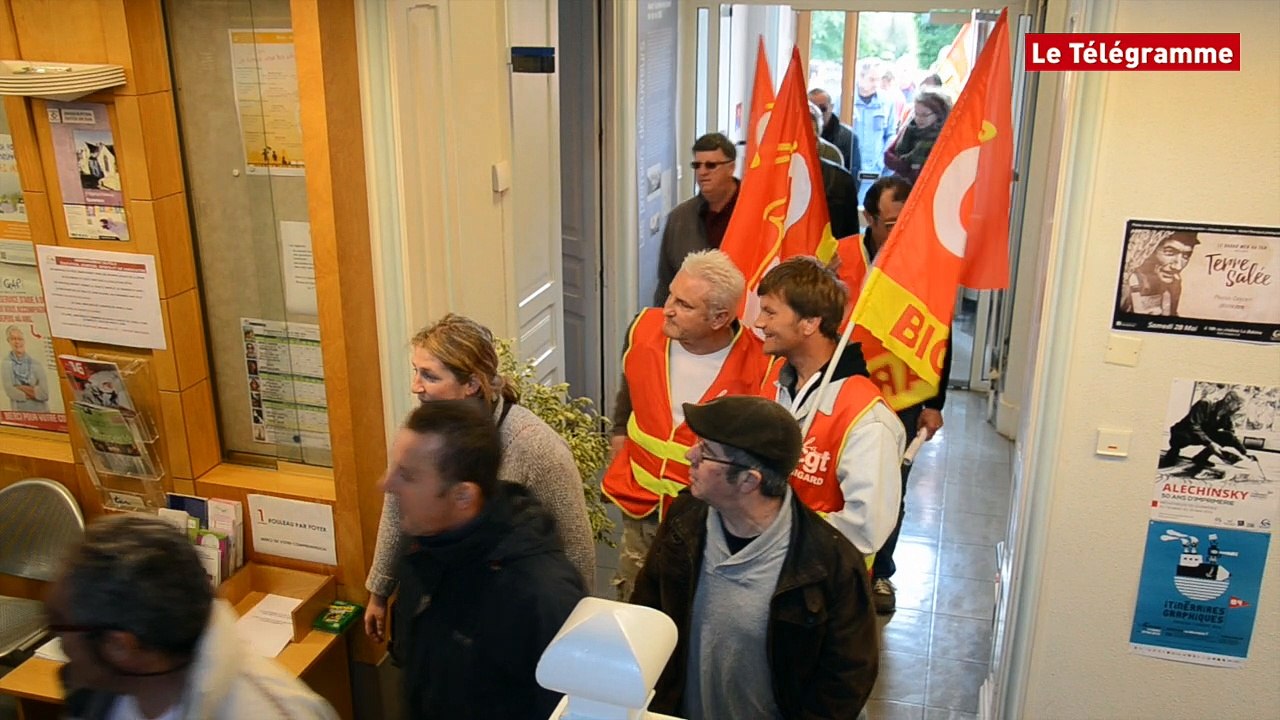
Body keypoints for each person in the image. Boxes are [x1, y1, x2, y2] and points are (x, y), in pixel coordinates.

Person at [630, 395, 879, 719]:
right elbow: (647, 615)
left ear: (749, 480)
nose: (690, 454)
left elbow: (846, 681)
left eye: (706, 452)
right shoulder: (683, 522)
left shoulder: (831, 564)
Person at [364, 314, 595, 640]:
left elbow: (577, 553)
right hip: (432, 607)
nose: (415, 386)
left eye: (429, 376)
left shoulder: (536, 447)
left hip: (507, 626)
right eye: (415, 372)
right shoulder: (422, 429)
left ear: (471, 383)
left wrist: (570, 638)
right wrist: (379, 590)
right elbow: (396, 510)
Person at [383, 399, 585, 719]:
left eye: (407, 476)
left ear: (463, 496)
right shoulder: (426, 548)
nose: (386, 484)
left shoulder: (544, 597)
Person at [604, 250, 774, 600]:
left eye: (684, 304)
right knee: (635, 603)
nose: (667, 308)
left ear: (719, 318)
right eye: (670, 294)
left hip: (711, 516)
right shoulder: (642, 328)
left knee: (696, 607)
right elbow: (631, 383)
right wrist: (619, 431)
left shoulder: (761, 365)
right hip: (642, 504)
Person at [48, 515, 338, 720]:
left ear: (121, 646)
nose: (59, 645)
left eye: (60, 624)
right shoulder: (97, 699)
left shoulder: (273, 712)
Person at [754, 257, 904, 563]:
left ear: (810, 323)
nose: (759, 323)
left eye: (770, 312)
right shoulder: (774, 382)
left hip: (826, 586)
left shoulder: (867, 419)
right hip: (771, 568)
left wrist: (774, 531)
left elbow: (866, 529)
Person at [855, 176, 953, 614]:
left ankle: (880, 575)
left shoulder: (928, 264)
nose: (904, 231)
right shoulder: (841, 257)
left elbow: (941, 336)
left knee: (892, 487)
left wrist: (935, 403)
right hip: (845, 393)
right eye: (894, 222)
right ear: (869, 218)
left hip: (904, 395)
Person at [654, 133, 741, 306]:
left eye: (711, 165)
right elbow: (666, 284)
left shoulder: (754, 213)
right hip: (692, 326)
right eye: (697, 165)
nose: (702, 172)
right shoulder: (679, 219)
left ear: (731, 167)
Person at [1159, 390, 1258, 470]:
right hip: (1184, 432)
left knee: (1227, 436)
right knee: (1183, 438)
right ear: (1228, 399)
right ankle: (1172, 453)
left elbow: (1231, 434)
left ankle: (1200, 459)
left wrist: (1245, 453)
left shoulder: (1226, 415)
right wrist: (1211, 443)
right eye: (1239, 403)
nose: (1240, 407)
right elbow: (1193, 426)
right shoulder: (1204, 404)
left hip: (1203, 435)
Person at [1119, 230, 1199, 316]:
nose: (1178, 266)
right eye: (1169, 253)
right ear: (1148, 251)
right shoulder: (1125, 284)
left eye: (1186, 256)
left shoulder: (1174, 283)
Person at [808, 102, 858, 239]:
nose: (807, 145)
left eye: (812, 138)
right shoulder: (772, 179)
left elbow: (850, 235)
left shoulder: (841, 180)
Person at [852, 59, 899, 201]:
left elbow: (891, 134)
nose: (876, 84)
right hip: (851, 171)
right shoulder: (844, 100)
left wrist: (884, 161)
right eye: (872, 79)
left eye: (878, 79)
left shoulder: (887, 102)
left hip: (876, 172)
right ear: (860, 77)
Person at [883, 90, 952, 183]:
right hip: (902, 185)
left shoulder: (943, 138)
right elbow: (888, 156)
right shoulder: (909, 129)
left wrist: (904, 166)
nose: (919, 119)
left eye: (924, 115)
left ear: (939, 114)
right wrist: (905, 167)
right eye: (916, 114)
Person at [808, 88, 858, 175]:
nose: (817, 112)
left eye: (822, 108)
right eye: (813, 109)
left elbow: (853, 174)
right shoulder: (794, 139)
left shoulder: (848, 137)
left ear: (831, 107)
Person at [3, 325, 50, 412]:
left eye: (20, 339)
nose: (17, 342)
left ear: (24, 341)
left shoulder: (36, 364)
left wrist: (20, 387)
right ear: (8, 341)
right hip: (20, 413)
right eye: (13, 339)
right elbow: (10, 391)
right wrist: (34, 392)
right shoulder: (6, 364)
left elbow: (44, 394)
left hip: (43, 413)